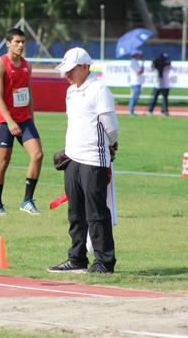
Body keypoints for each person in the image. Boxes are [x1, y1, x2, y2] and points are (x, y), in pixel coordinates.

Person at [48, 47, 118, 274]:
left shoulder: (99, 89)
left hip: (93, 160)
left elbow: (111, 126)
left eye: (71, 70)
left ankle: (104, 261)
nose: (67, 74)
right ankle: (76, 257)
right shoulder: (71, 91)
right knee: (75, 213)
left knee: (96, 213)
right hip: (72, 159)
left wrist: (111, 144)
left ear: (85, 67)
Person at [0, 28, 44, 216]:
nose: (21, 45)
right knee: (3, 162)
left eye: (23, 42)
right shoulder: (0, 65)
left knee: (37, 155)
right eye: (17, 42)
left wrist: (31, 118)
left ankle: (27, 201)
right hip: (4, 121)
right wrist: (10, 121)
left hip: (24, 120)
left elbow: (28, 93)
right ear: (8, 43)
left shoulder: (27, 66)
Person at [127, 51, 145, 116]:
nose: (140, 56)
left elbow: (140, 71)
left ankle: (131, 110)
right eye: (139, 55)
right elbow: (139, 72)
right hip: (135, 82)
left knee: (135, 97)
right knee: (134, 97)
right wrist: (143, 64)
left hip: (137, 82)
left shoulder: (135, 62)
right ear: (135, 55)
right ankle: (130, 110)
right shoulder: (133, 62)